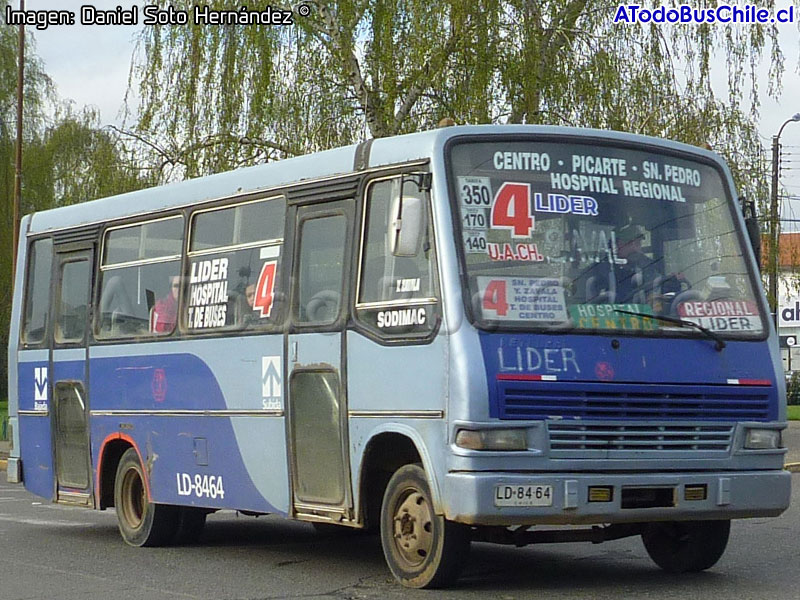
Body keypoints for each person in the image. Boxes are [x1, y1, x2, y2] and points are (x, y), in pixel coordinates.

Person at [613, 223, 656, 302]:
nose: (634, 248)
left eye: (637, 243)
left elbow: (658, 286)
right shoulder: (604, 269)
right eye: (629, 243)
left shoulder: (648, 265)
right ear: (619, 245)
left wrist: (672, 282)